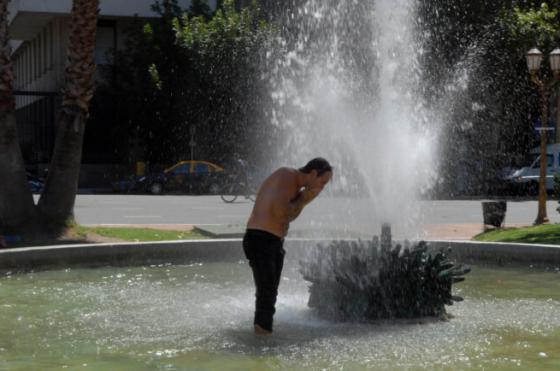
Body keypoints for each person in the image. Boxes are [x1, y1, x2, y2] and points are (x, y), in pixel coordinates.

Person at [243, 157, 333, 335]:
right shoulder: (287, 175)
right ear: (313, 173)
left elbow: (288, 215)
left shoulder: (294, 185)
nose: (322, 188)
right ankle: (261, 343)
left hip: (272, 241)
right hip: (261, 239)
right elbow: (281, 212)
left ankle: (263, 335)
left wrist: (304, 198)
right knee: (266, 295)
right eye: (322, 182)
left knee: (269, 295)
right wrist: (306, 198)